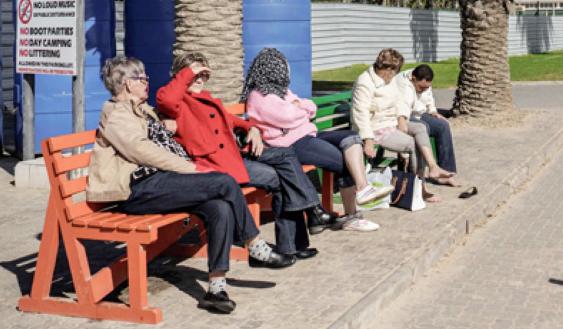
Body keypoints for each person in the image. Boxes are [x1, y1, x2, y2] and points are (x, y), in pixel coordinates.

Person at [87, 56, 288, 314]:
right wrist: (192, 169)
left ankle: (216, 287)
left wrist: (165, 128)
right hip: (140, 189)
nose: (147, 82)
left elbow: (159, 134)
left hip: (161, 183)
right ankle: (255, 245)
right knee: (224, 181)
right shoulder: (115, 114)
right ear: (127, 84)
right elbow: (142, 152)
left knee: (219, 207)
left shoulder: (141, 110)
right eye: (142, 79)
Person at [157, 53, 334, 260]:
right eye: (194, 75)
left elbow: (232, 120)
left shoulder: (206, 98)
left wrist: (252, 128)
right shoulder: (174, 101)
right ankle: (304, 226)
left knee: (285, 157)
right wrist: (190, 72)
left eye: (203, 75)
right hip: (214, 167)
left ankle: (304, 227)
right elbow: (167, 100)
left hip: (234, 158)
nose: (199, 80)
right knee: (280, 177)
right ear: (181, 75)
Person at [242, 48, 390, 232]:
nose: (286, 71)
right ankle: (352, 215)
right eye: (282, 66)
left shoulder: (282, 92)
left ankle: (362, 188)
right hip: (291, 144)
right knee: (344, 161)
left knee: (351, 138)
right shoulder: (259, 96)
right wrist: (300, 110)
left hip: (307, 134)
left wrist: (300, 107)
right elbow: (287, 116)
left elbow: (311, 107)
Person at [351, 49, 439, 202]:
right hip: (375, 128)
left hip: (391, 122)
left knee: (420, 127)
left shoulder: (389, 80)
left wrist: (401, 119)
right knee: (412, 144)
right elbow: (360, 112)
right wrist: (368, 139)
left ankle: (432, 168)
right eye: (393, 70)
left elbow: (398, 100)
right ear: (386, 68)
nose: (394, 75)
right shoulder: (365, 82)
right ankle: (418, 189)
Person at [394, 64, 458, 185]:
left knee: (442, 125)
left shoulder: (423, 82)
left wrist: (433, 111)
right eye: (421, 87)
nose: (423, 90)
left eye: (426, 87)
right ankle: (420, 172)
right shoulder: (404, 85)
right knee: (423, 127)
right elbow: (403, 110)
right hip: (403, 116)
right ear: (413, 78)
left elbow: (429, 97)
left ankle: (446, 172)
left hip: (418, 113)